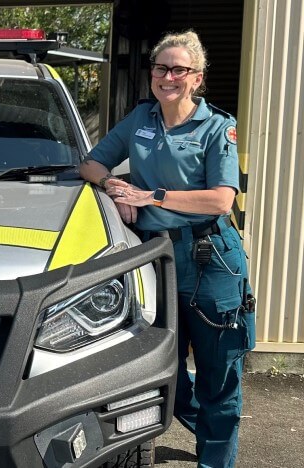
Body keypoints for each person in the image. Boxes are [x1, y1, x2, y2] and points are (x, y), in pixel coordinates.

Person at [79, 31, 255, 468]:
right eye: (161, 68)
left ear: (197, 79)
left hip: (210, 258)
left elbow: (220, 200)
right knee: (163, 374)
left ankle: (215, 457)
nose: (168, 76)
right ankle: (211, 429)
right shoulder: (140, 119)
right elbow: (90, 163)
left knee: (219, 377)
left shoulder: (217, 126)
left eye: (180, 69)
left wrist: (151, 196)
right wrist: (115, 186)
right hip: (155, 261)